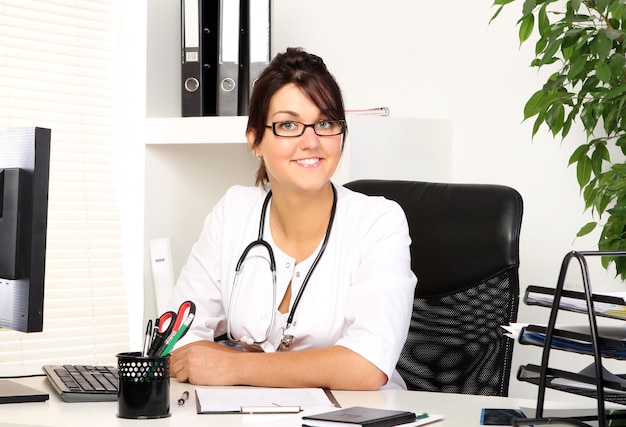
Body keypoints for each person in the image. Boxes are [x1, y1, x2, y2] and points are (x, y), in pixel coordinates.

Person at [168, 47, 416, 390]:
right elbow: (175, 340)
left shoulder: (379, 221)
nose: (311, 141)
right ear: (255, 139)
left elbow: (367, 365)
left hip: (356, 416)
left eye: (325, 123)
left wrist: (235, 367)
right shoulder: (234, 211)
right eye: (288, 125)